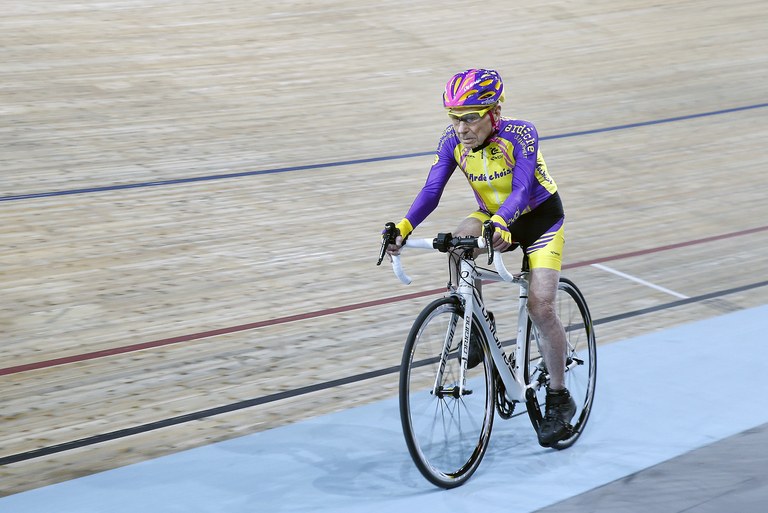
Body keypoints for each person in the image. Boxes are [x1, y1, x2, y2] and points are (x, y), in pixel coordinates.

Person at [384, 68, 575, 447]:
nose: (461, 127)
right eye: (454, 118)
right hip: (493, 217)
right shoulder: (451, 141)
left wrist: (504, 222)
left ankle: (558, 396)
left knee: (541, 307)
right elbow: (432, 189)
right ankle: (474, 321)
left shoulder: (521, 134)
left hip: (539, 219)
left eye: (471, 116)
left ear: (495, 112)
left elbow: (521, 188)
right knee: (457, 240)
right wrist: (404, 227)